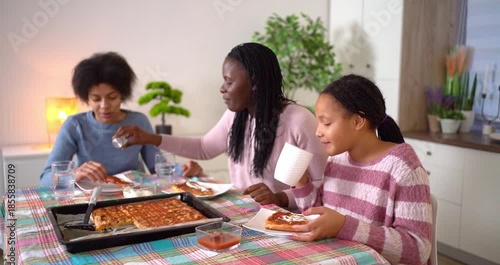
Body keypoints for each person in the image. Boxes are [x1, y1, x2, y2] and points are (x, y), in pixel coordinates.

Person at [114, 42, 328, 210]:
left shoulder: (299, 121)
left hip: (288, 221)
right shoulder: (236, 117)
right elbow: (204, 148)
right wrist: (148, 138)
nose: (222, 89)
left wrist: (280, 198)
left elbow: (322, 185)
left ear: (254, 83)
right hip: (245, 216)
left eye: (229, 82)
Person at [290, 74, 432, 265]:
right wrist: (301, 182)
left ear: (358, 121)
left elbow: (417, 248)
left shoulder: (402, 166)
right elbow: (319, 218)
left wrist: (344, 226)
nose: (318, 132)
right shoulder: (337, 160)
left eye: (326, 123)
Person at [40, 52, 160, 186]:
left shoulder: (139, 121)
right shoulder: (75, 125)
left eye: (112, 97)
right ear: (86, 98)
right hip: (91, 199)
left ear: (122, 95)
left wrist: (185, 169)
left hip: (132, 197)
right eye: (96, 99)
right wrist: (74, 174)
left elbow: (159, 168)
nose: (104, 106)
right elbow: (45, 179)